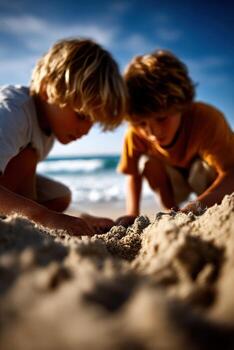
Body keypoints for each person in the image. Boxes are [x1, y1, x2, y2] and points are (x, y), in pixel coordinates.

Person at [0, 38, 127, 236]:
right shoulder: (13, 111)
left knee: (60, 196)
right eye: (82, 116)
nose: (85, 130)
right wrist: (42, 216)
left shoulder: (46, 126)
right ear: (47, 89)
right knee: (27, 157)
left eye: (93, 122)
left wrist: (83, 218)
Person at [117, 50, 234, 226]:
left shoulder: (206, 118)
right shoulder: (134, 133)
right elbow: (133, 174)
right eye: (142, 123)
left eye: (162, 118)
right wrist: (132, 213)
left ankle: (201, 207)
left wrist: (193, 207)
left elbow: (231, 172)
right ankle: (172, 212)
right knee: (146, 164)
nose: (153, 132)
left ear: (181, 104)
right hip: (172, 184)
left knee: (200, 167)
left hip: (206, 179)